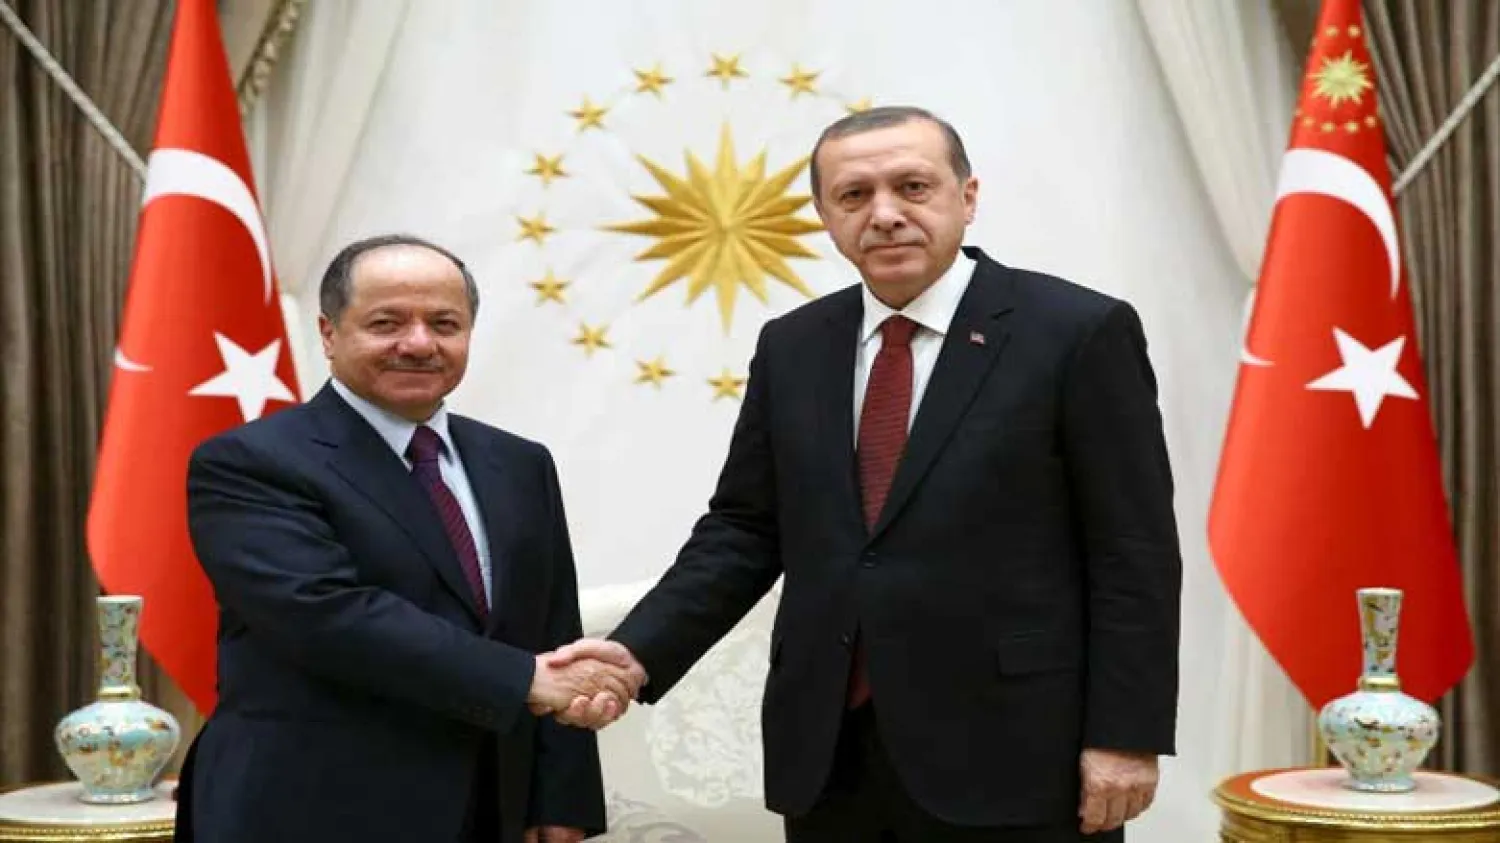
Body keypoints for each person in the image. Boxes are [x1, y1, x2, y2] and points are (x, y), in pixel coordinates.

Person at [544, 107, 1183, 841]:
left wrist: (1125, 735)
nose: (884, 215)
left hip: (1017, 753)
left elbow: (1132, 551)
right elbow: (745, 531)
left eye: (912, 186)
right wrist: (635, 652)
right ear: (824, 215)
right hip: (831, 754)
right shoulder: (794, 346)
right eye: (853, 196)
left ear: (966, 197)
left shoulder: (1077, 331)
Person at [174, 234, 628, 843]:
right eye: (386, 323)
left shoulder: (519, 464)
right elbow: (327, 614)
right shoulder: (249, 462)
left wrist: (562, 798)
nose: (418, 343)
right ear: (329, 333)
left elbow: (551, 627)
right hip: (311, 808)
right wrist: (524, 680)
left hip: (492, 807)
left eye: (445, 323)